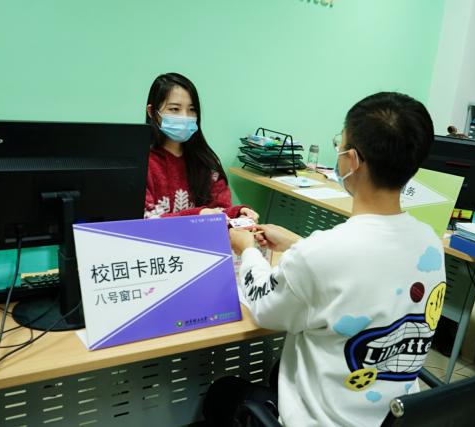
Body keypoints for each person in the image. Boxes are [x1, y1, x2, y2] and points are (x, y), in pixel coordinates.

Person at [206, 92, 447, 426]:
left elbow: (263, 306)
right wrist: (298, 245)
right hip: (391, 415)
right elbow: (365, 267)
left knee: (223, 394)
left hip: (324, 419)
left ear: (352, 160)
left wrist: (246, 248)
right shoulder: (430, 243)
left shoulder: (323, 253)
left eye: (340, 145)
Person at [144, 72, 258, 220]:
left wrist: (237, 213)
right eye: (174, 109)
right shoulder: (141, 163)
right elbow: (145, 220)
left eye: (192, 110)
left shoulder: (205, 162)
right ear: (152, 112)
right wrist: (198, 216)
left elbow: (220, 210)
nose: (185, 116)